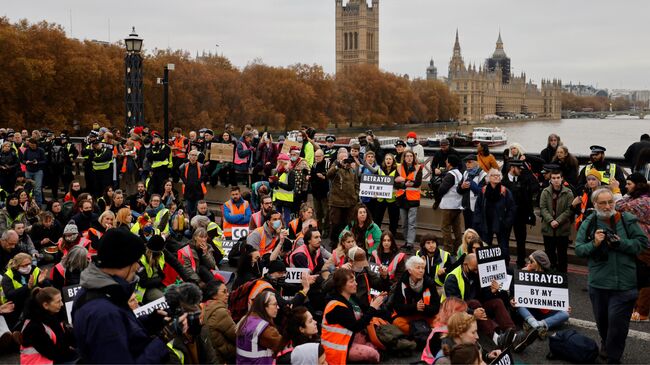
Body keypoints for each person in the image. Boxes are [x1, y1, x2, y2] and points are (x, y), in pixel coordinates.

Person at [72, 228, 170, 363]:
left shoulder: (99, 291)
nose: (137, 267)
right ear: (123, 263)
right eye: (135, 261)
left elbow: (122, 328)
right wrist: (164, 338)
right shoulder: (103, 314)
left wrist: (151, 321)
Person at [575, 188, 647, 363]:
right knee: (603, 323)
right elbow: (579, 249)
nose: (607, 206)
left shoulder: (627, 220)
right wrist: (594, 243)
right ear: (595, 204)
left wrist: (621, 243)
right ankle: (606, 343)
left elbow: (641, 243)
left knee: (617, 325)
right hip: (599, 283)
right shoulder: (589, 222)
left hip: (625, 285)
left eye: (610, 202)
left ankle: (614, 358)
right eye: (603, 203)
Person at [442, 254, 536, 352]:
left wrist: (492, 292)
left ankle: (513, 335)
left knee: (497, 302)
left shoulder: (474, 272)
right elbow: (455, 306)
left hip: (474, 307)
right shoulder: (452, 278)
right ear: (465, 265)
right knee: (474, 302)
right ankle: (497, 339)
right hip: (454, 314)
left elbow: (482, 296)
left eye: (478, 269)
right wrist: (472, 312)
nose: (477, 272)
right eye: (474, 269)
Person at [321, 268, 385, 364]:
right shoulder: (336, 306)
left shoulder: (350, 297)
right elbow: (357, 326)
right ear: (342, 286)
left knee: (379, 346)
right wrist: (373, 308)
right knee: (373, 354)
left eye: (355, 280)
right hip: (338, 349)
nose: (356, 283)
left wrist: (375, 304)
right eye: (352, 281)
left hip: (349, 340)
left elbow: (366, 311)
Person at [614, 173, 650, 322]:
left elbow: (619, 205)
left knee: (645, 278)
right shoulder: (639, 197)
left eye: (629, 184)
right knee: (637, 276)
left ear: (638, 185)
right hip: (638, 242)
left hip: (645, 244)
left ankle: (642, 312)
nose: (626, 186)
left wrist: (616, 190)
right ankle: (636, 309)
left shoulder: (644, 201)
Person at [510, 250, 570, 339]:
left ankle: (536, 325)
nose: (528, 263)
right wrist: (512, 299)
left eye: (531, 261)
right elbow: (513, 293)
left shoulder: (552, 277)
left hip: (545, 311)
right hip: (529, 311)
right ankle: (538, 327)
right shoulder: (522, 274)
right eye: (528, 260)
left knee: (565, 314)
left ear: (538, 264)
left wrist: (564, 305)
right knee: (519, 305)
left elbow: (558, 297)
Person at [20, 287, 77, 364]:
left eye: (61, 300)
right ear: (46, 305)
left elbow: (67, 338)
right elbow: (52, 353)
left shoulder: (53, 316)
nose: (62, 304)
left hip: (53, 358)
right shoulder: (34, 327)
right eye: (58, 302)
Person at [165, 283, 218, 364]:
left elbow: (212, 360)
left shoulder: (200, 329)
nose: (199, 318)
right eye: (193, 314)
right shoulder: (168, 344)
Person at [473, 168, 516, 264]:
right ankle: (486, 266)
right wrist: (479, 222)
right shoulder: (483, 191)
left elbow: (512, 208)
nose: (496, 177)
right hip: (486, 223)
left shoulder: (505, 191)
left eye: (498, 175)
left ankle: (505, 266)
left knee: (503, 247)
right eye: (493, 175)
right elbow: (478, 208)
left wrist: (507, 222)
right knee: (485, 247)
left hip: (502, 224)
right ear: (488, 178)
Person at [501, 160, 539, 268]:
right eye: (519, 168)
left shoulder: (524, 179)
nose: (521, 170)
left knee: (521, 241)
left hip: (520, 216)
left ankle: (521, 262)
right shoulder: (503, 181)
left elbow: (535, 187)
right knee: (504, 240)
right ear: (512, 168)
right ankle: (505, 262)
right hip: (507, 216)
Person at [391, 255, 441, 334]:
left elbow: (436, 307)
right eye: (418, 268)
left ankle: (420, 333)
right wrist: (414, 307)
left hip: (425, 315)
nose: (421, 271)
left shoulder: (430, 283)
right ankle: (420, 333)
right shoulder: (402, 283)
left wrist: (424, 307)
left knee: (440, 323)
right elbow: (397, 307)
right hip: (408, 315)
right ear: (410, 271)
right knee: (397, 323)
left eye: (423, 268)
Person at [236, 291, 285, 364]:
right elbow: (284, 346)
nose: (278, 307)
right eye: (275, 304)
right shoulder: (265, 330)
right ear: (264, 307)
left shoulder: (246, 319)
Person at [539, 170, 574, 272]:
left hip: (562, 229)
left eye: (558, 178)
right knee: (549, 253)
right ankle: (550, 272)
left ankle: (563, 274)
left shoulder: (568, 193)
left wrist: (558, 221)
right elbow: (543, 208)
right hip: (548, 228)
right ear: (550, 180)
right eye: (553, 178)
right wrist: (551, 220)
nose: (556, 180)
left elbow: (569, 210)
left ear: (562, 179)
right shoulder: (545, 192)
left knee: (562, 254)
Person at [433, 312, 500, 365]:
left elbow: (478, 356)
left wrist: (487, 356)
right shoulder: (444, 361)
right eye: (473, 332)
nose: (477, 336)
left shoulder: (469, 344)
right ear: (460, 333)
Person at [2, 252, 48, 327]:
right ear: (17, 266)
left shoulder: (35, 269)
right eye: (25, 265)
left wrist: (41, 282)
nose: (28, 267)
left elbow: (49, 287)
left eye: (29, 264)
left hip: (34, 300)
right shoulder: (8, 276)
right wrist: (27, 287)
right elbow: (10, 295)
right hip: (15, 304)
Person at [420, 297, 468, 364]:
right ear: (451, 314)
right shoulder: (439, 336)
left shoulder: (453, 328)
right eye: (462, 313)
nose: (466, 316)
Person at [327, 148, 359, 244]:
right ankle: (333, 241)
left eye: (346, 158)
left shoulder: (351, 170)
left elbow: (356, 183)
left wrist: (356, 195)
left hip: (350, 202)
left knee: (349, 224)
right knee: (335, 223)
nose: (345, 160)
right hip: (337, 202)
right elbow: (329, 174)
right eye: (342, 158)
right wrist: (338, 165)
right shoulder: (335, 167)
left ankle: (346, 241)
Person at [203, 280, 237, 364]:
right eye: (224, 292)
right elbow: (237, 336)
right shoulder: (220, 312)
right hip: (223, 357)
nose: (227, 294)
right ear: (214, 295)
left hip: (212, 354)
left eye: (227, 291)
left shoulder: (205, 306)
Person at [395, 150, 422, 251]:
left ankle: (410, 243)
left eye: (411, 156)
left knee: (412, 223)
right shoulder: (398, 167)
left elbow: (417, 183)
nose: (409, 158)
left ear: (413, 158)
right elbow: (395, 183)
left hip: (413, 199)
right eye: (407, 156)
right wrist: (405, 183)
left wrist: (402, 180)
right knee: (404, 223)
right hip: (402, 198)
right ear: (404, 158)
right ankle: (406, 241)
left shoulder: (418, 167)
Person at [438, 155, 464, 253]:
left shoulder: (450, 175)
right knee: (457, 229)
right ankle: (459, 249)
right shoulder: (460, 174)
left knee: (445, 229)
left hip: (448, 206)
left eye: (447, 161)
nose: (445, 162)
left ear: (449, 163)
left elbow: (442, 189)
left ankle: (448, 250)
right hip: (457, 205)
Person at [457, 155, 486, 232]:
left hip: (477, 208)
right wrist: (462, 187)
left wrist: (471, 182)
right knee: (468, 230)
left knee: (477, 231)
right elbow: (458, 190)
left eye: (469, 162)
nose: (467, 164)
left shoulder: (483, 175)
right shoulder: (465, 173)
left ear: (477, 163)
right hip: (466, 207)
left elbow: (481, 192)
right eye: (466, 162)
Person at [374, 153, 400, 236]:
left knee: (393, 220)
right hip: (381, 199)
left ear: (393, 161)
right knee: (377, 219)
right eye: (386, 159)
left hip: (392, 199)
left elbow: (400, 183)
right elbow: (374, 182)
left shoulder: (397, 170)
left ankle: (392, 237)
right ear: (384, 161)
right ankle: (377, 236)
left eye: (390, 159)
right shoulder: (379, 169)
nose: (388, 160)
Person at [179, 149, 207, 217]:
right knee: (189, 210)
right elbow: (182, 175)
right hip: (188, 191)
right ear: (189, 156)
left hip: (198, 191)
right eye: (192, 155)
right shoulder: (185, 165)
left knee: (197, 210)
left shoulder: (201, 166)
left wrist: (198, 182)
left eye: (195, 155)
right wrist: (186, 182)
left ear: (197, 157)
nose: (193, 157)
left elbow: (204, 176)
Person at [271, 153, 296, 225]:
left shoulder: (291, 173)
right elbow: (273, 186)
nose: (279, 164)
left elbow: (290, 187)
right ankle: (278, 230)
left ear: (286, 163)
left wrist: (278, 183)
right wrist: (271, 182)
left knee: (286, 218)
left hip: (287, 199)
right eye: (278, 162)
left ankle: (287, 231)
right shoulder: (277, 171)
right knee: (277, 217)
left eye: (281, 162)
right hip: (277, 198)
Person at [310, 149, 330, 237]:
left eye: (318, 156)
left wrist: (324, 177)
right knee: (318, 213)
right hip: (315, 193)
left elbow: (331, 177)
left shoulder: (327, 165)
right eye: (316, 156)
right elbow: (312, 177)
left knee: (326, 213)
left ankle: (326, 229)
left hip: (325, 193)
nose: (317, 158)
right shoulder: (314, 165)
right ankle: (320, 229)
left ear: (323, 156)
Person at [22, 138, 46, 205]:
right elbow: (23, 160)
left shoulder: (41, 150)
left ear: (36, 144)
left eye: (33, 145)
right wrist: (26, 162)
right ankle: (27, 203)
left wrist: (37, 162)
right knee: (27, 188)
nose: (32, 146)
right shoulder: (27, 150)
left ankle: (39, 204)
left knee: (37, 189)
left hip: (38, 171)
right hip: (28, 170)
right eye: (30, 145)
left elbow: (44, 161)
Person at [147, 131, 172, 195]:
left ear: (160, 138)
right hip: (154, 171)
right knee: (153, 189)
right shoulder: (153, 147)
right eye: (153, 137)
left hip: (163, 170)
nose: (154, 138)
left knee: (162, 189)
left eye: (155, 137)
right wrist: (156, 156)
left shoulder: (166, 147)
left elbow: (162, 157)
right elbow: (148, 157)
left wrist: (154, 156)